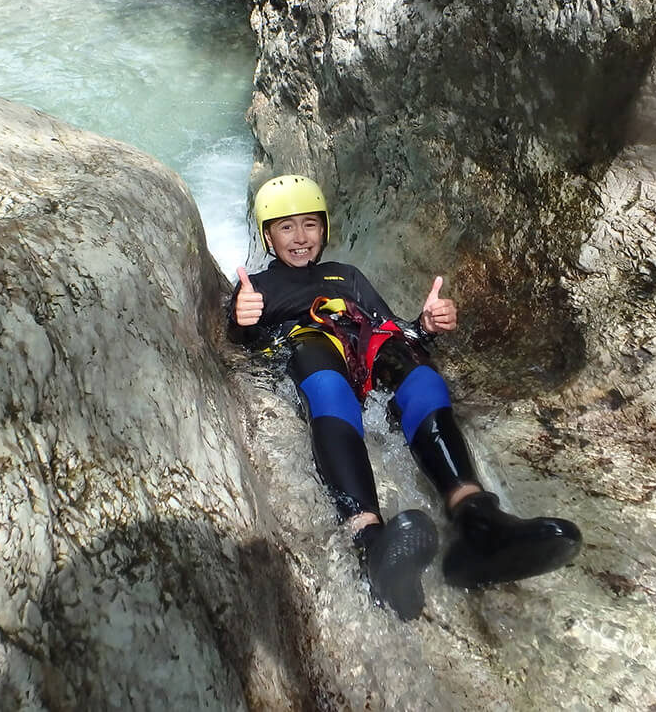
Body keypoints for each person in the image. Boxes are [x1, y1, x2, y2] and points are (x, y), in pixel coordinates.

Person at [228, 174, 582, 621]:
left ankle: (477, 522)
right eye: (286, 227)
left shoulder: (347, 276)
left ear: (324, 229)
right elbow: (242, 340)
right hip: (308, 345)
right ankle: (370, 543)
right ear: (267, 234)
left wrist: (426, 325)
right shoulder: (255, 287)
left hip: (366, 342)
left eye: (310, 225)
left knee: (422, 380)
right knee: (328, 385)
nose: (300, 238)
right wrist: (243, 319)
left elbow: (392, 326)